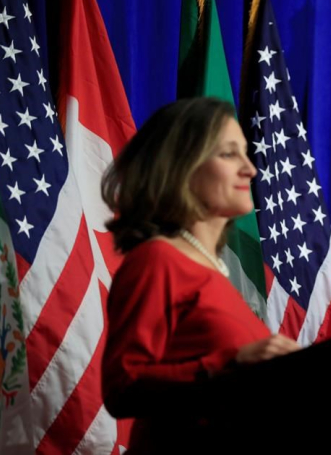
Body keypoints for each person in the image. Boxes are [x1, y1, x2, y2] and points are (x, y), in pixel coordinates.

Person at [100, 98, 299, 452]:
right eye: (228, 154)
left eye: (246, 153)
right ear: (181, 167)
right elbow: (122, 386)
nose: (250, 169)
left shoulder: (215, 272)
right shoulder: (157, 260)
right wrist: (233, 362)